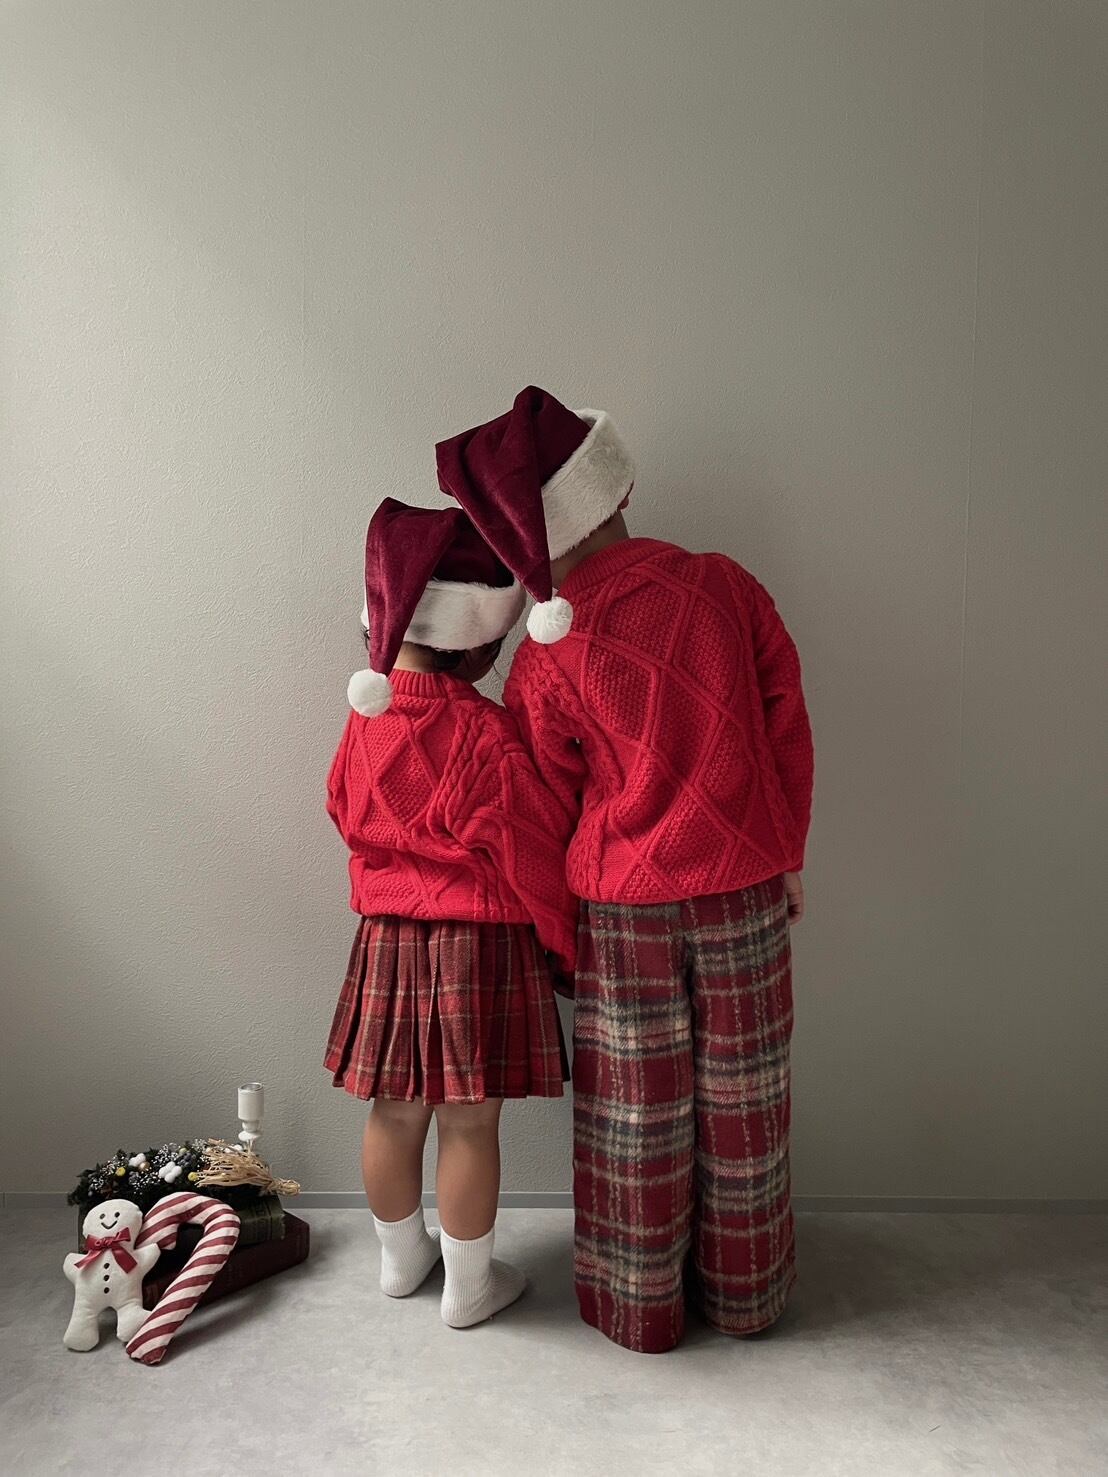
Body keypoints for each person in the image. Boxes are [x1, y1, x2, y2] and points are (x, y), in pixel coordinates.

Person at [434, 387, 813, 1353]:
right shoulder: (726, 585)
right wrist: (788, 848)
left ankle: (639, 1307)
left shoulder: (548, 655)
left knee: (636, 1114)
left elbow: (547, 807)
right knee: (746, 1097)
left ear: (522, 542)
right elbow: (785, 718)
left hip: (622, 908)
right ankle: (749, 1295)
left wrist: (558, 931)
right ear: (618, 487)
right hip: (742, 888)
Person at [325, 496, 576, 1329]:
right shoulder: (486, 732)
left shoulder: (362, 724)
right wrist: (564, 941)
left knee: (392, 1111)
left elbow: (341, 809)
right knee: (470, 1124)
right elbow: (534, 846)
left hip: (388, 940)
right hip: (480, 943)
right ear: (474, 638)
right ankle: (469, 1288)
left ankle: (402, 1261)